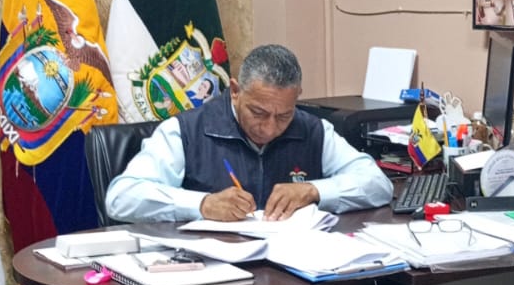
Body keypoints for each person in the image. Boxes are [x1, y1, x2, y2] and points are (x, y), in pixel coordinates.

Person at [104, 43, 391, 223]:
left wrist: (314, 190)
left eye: (283, 116)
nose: (270, 128)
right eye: (258, 113)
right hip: (208, 280)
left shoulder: (312, 130)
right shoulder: (185, 131)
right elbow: (121, 198)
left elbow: (378, 185)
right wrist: (202, 204)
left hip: (292, 275)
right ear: (235, 91)